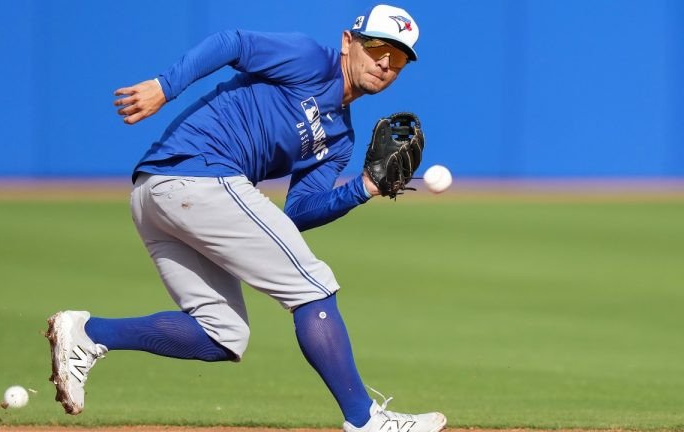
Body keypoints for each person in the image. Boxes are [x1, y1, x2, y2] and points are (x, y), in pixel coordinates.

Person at [45, 4, 446, 432]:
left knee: (223, 336)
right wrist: (165, 86)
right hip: (195, 173)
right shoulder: (311, 59)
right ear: (349, 42)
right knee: (313, 286)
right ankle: (364, 420)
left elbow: (298, 213)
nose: (385, 63)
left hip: (163, 193)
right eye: (378, 48)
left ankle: (90, 333)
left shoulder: (340, 138)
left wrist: (362, 188)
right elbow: (233, 43)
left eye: (398, 58)